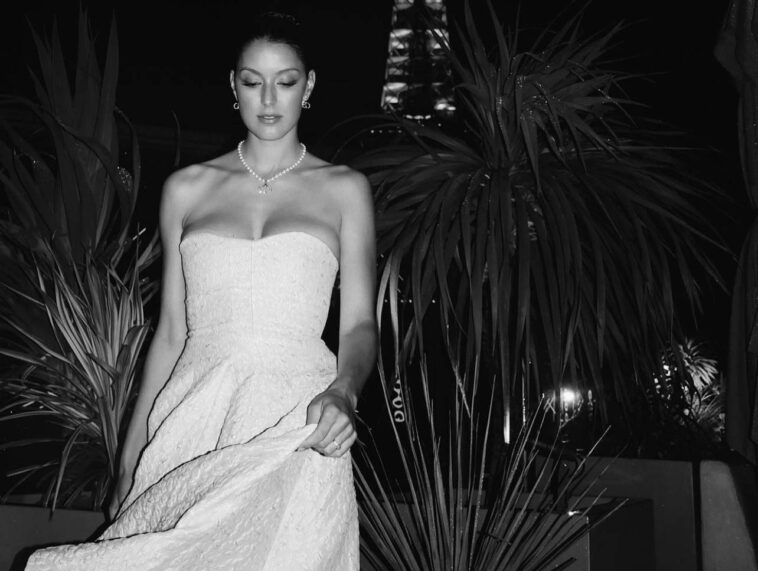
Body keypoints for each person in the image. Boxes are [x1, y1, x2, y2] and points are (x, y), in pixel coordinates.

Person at [26, 12, 377, 571]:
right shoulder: (186, 190)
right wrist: (131, 452)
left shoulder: (344, 190)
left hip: (298, 421)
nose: (268, 99)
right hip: (196, 415)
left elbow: (358, 324)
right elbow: (170, 333)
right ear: (232, 85)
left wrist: (345, 393)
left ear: (308, 86)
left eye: (286, 81)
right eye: (252, 81)